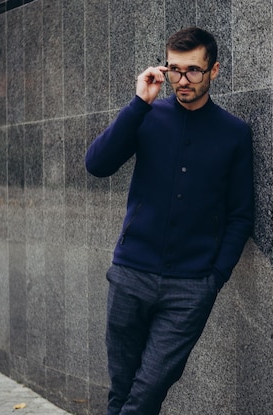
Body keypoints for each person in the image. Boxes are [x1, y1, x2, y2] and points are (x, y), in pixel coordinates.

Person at [85, 27, 254, 415]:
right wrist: (138, 102)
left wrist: (214, 278)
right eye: (174, 70)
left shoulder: (234, 133)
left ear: (214, 71)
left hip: (191, 286)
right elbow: (97, 165)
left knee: (149, 390)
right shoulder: (146, 116)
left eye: (193, 71)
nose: (182, 80)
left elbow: (241, 214)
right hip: (131, 274)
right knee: (122, 390)